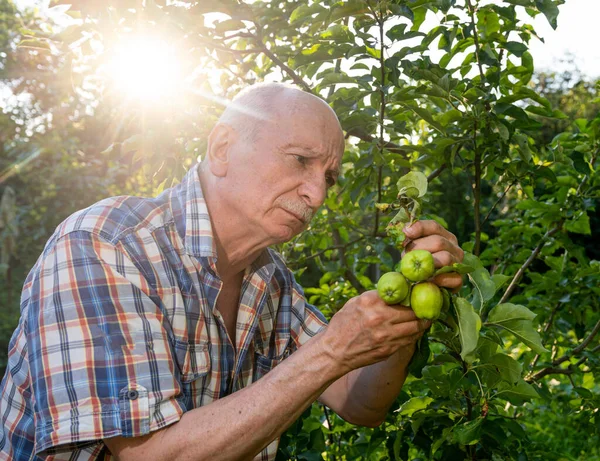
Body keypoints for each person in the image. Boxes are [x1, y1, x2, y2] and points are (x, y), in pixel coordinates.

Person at [0, 83, 464, 461]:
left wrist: (405, 313)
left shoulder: (269, 279)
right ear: (223, 148)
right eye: (301, 160)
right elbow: (149, 455)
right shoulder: (105, 245)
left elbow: (360, 402)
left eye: (330, 177)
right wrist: (333, 349)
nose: (317, 195)